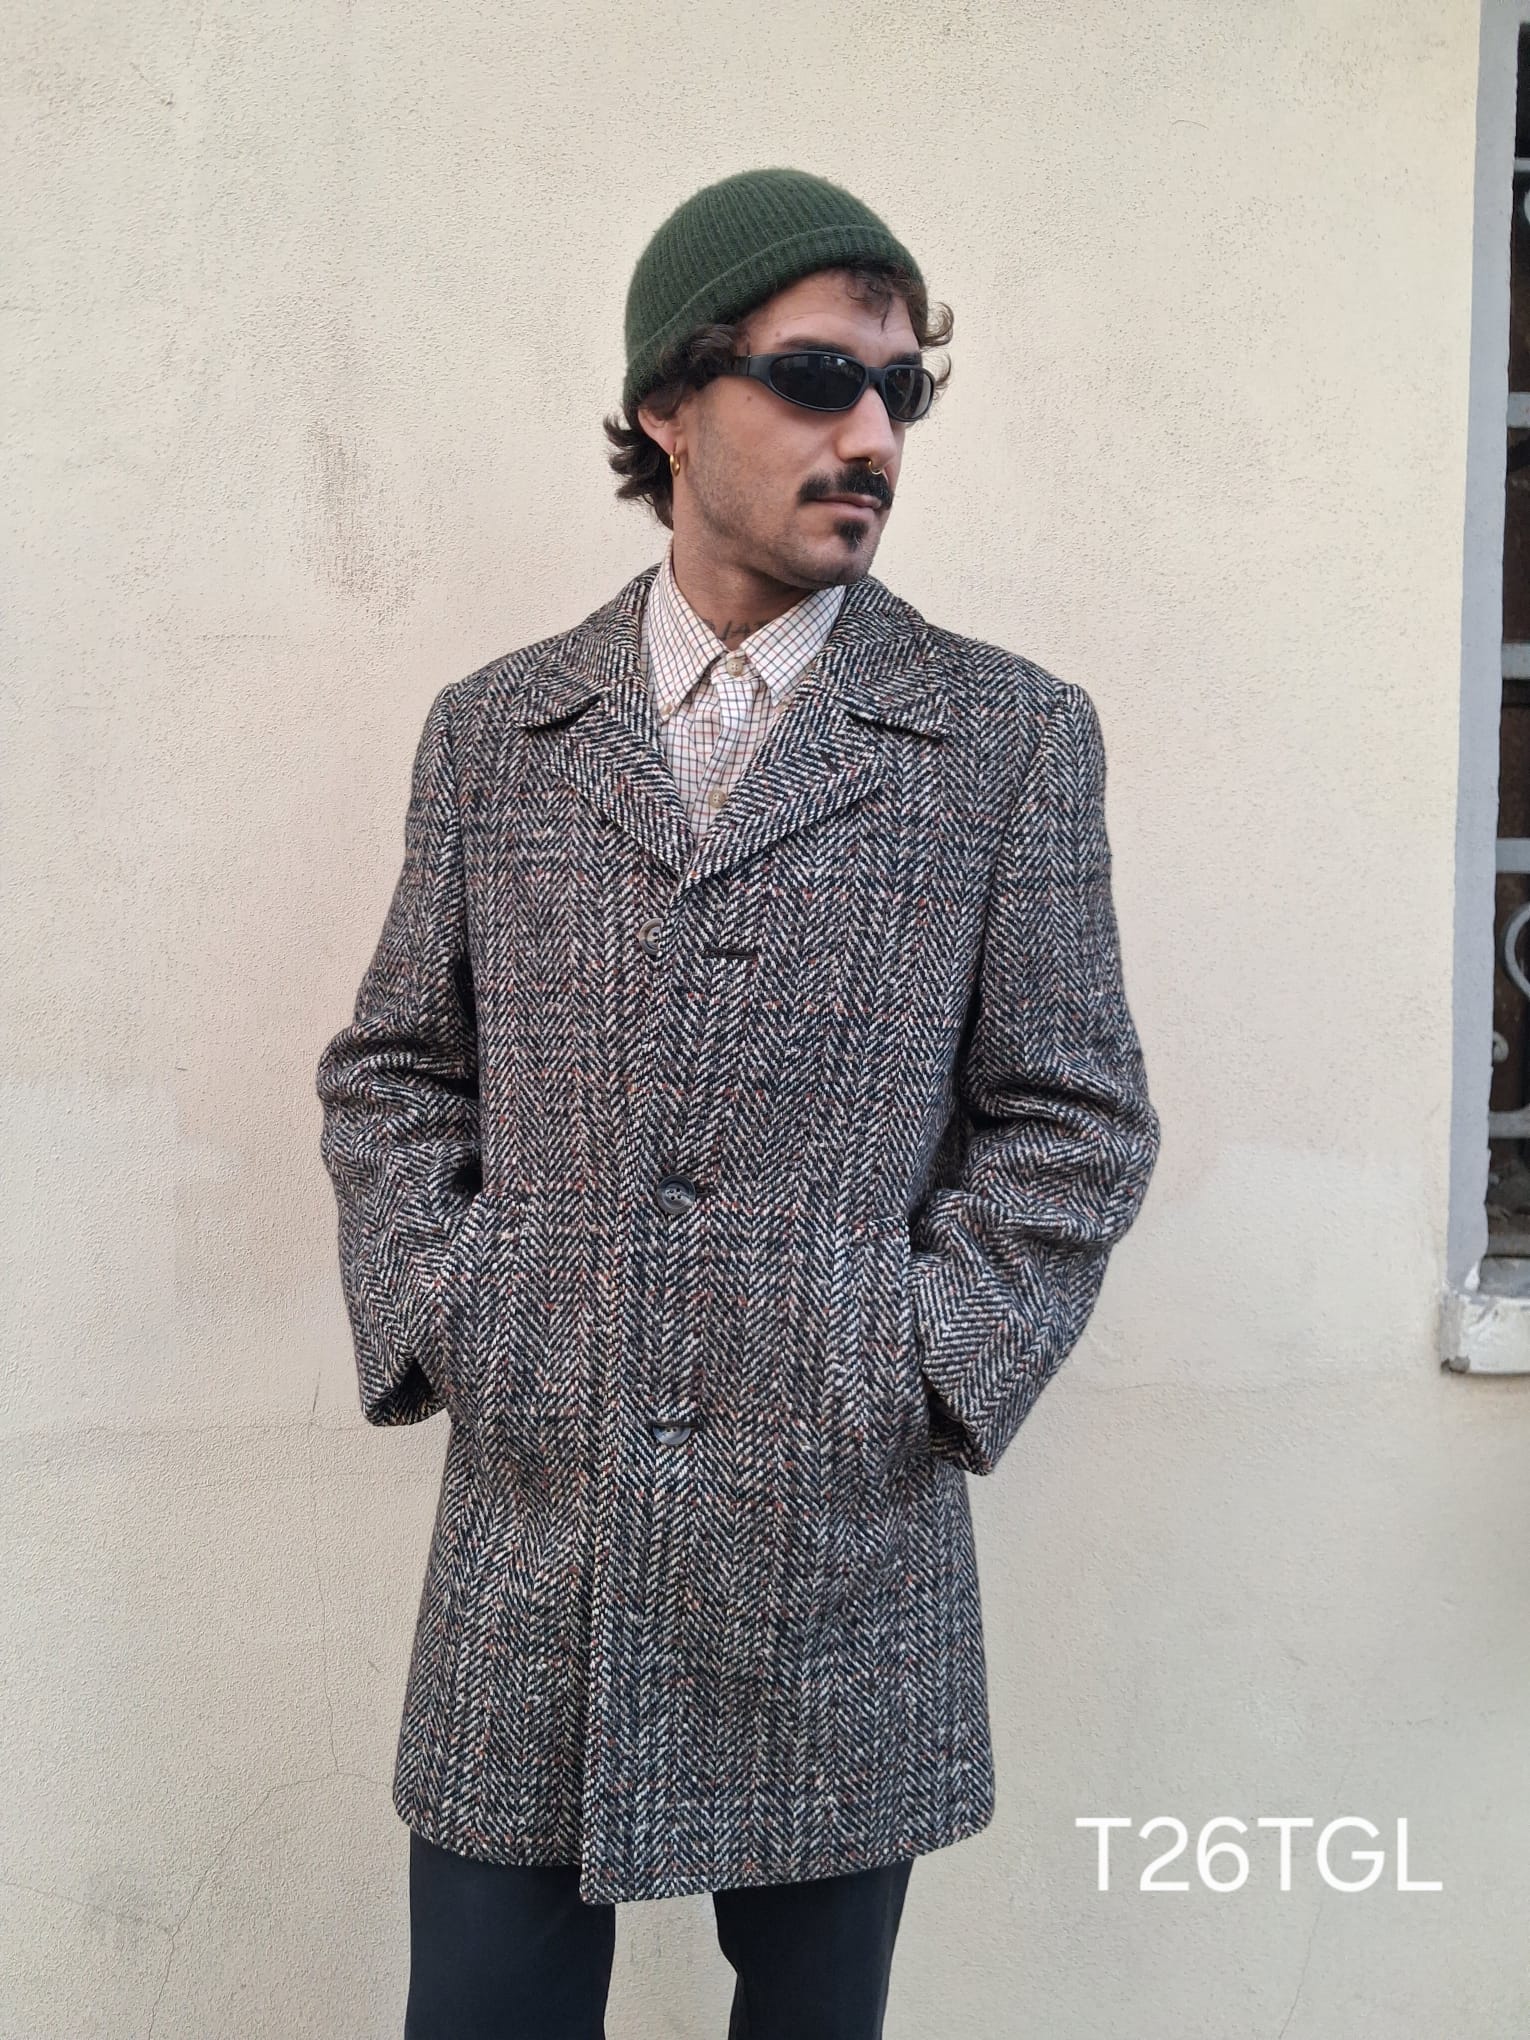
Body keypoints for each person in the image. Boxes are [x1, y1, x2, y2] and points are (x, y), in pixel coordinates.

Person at [315, 164, 1162, 2040]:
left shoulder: (1004, 735)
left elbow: (1073, 1113)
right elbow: (395, 1070)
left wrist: (917, 1360)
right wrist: (461, 1308)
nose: (871, 437)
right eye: (812, 377)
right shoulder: (498, 730)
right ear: (667, 405)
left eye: (898, 391)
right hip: (539, 1534)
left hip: (838, 1550)